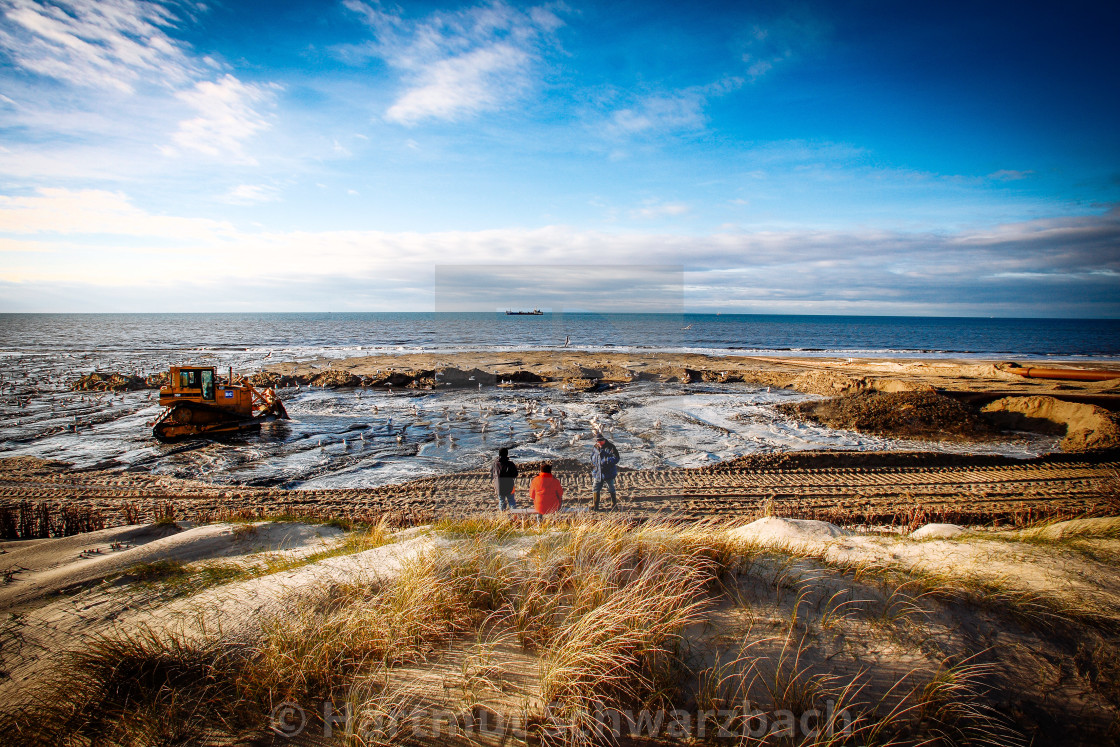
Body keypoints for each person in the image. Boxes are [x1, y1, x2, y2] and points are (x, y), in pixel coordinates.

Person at [590, 433, 620, 510]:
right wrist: (594, 464)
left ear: (604, 440)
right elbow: (592, 456)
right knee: (595, 488)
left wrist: (606, 461)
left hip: (608, 472)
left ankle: (614, 505)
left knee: (611, 488)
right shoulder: (595, 447)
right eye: (597, 442)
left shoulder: (611, 447)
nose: (599, 443)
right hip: (598, 472)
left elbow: (616, 458)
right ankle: (595, 506)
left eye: (600, 442)